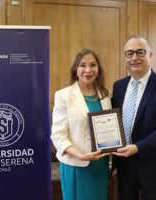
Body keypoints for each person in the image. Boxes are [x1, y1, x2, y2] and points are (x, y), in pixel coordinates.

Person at [112, 35, 156, 200]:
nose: (134, 57)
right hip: (125, 165)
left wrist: (138, 147)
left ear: (150, 55)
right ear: (125, 57)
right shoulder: (119, 86)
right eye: (129, 53)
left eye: (140, 52)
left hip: (154, 165)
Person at [51, 47, 111, 200]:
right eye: (82, 65)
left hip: (100, 164)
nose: (88, 70)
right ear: (75, 69)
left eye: (93, 65)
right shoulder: (63, 95)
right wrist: (82, 156)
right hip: (76, 164)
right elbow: (58, 136)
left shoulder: (105, 94)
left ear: (99, 68)